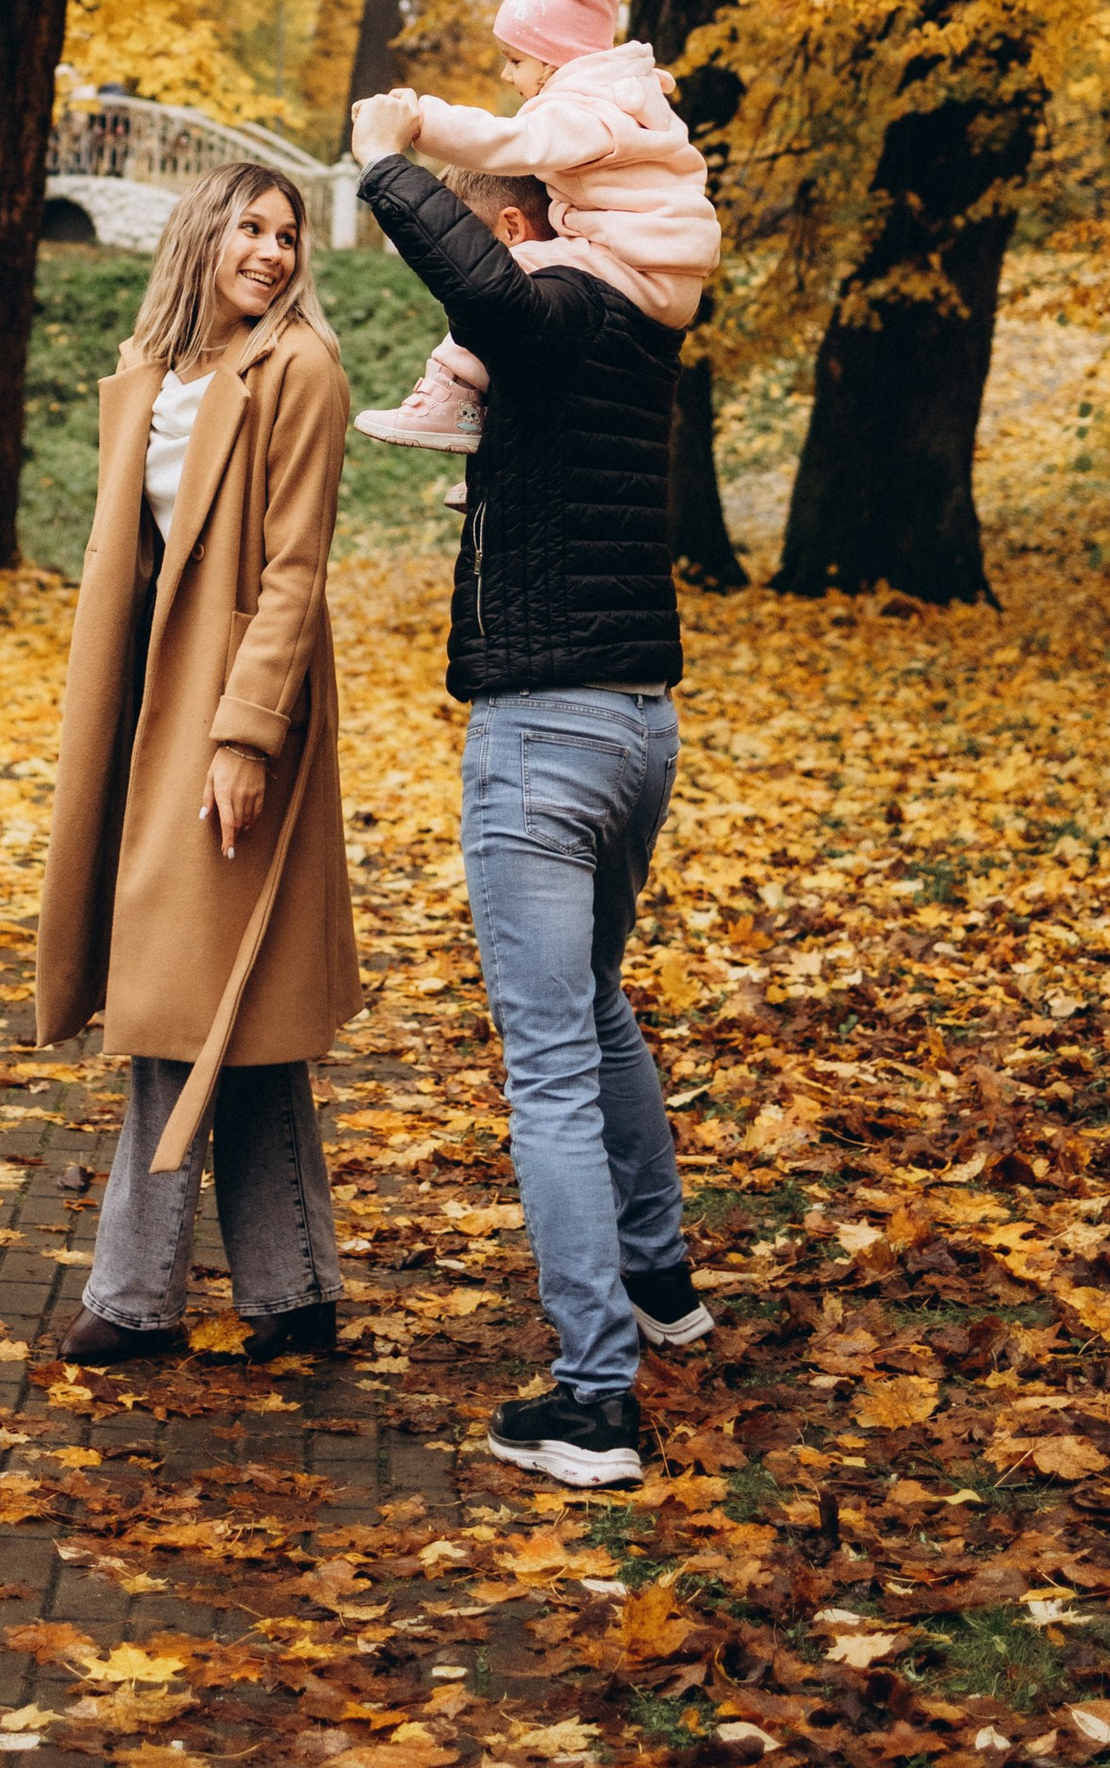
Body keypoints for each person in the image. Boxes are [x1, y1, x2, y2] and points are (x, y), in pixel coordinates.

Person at [349, 99, 710, 1490]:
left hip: (542, 737)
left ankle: (594, 1401)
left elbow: (478, 277)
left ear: (525, 224)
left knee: (549, 1060)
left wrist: (387, 154)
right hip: (640, 725)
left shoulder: (548, 305)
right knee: (601, 1005)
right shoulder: (642, 323)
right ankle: (661, 1280)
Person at [35, 161, 361, 1365]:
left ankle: (131, 1295)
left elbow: (293, 570)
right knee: (244, 993)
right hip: (146, 705)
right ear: (203, 233)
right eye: (250, 227)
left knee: (184, 987)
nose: (272, 251)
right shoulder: (154, 373)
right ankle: (294, 1292)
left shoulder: (301, 372)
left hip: (231, 710)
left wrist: (246, 734)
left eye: (287, 234)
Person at [354, 0, 718, 456]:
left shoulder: (585, 111)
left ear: (554, 62)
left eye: (515, 61)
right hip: (657, 269)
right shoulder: (621, 104)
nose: (507, 75)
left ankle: (453, 400)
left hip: (638, 266)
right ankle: (494, 435)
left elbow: (509, 142)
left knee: (507, 275)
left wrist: (421, 122)